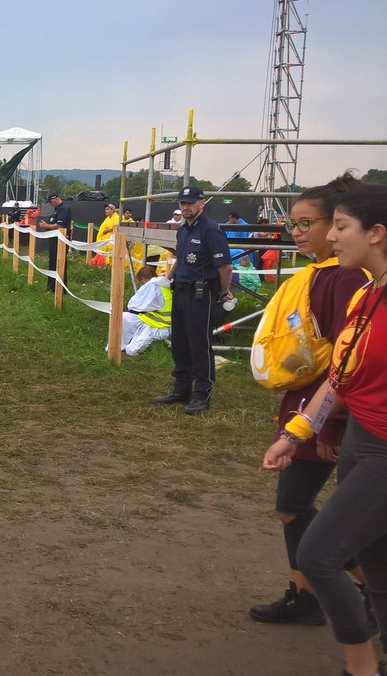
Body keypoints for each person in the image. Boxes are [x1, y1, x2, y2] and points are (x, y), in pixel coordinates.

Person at [262, 183, 387, 676]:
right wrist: (295, 434)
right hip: (361, 439)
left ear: (376, 233)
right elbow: (338, 377)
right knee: (375, 563)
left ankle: (359, 665)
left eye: (341, 226)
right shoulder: (364, 295)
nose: (332, 237)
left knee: (319, 555)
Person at [151, 186, 232, 414]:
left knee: (199, 343)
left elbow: (225, 266)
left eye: (190, 203)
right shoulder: (183, 230)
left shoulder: (211, 230)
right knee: (180, 342)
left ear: (201, 203)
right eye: (182, 203)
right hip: (181, 291)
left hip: (201, 293)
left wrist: (221, 292)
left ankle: (201, 393)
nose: (185, 207)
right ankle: (181, 388)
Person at [106, 265, 173, 356]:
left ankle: (118, 346)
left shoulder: (152, 285)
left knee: (132, 351)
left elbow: (134, 305)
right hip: (156, 321)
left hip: (159, 326)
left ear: (142, 279)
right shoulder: (163, 285)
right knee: (125, 318)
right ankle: (119, 346)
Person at [36, 192, 72, 291]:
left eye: (51, 201)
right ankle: (52, 287)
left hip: (60, 239)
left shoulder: (64, 209)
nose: (50, 204)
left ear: (56, 198)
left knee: (59, 262)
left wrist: (46, 226)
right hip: (54, 239)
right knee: (53, 262)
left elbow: (60, 226)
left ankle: (60, 288)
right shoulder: (57, 209)